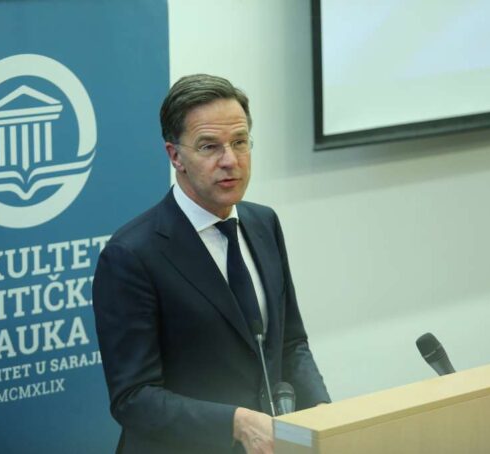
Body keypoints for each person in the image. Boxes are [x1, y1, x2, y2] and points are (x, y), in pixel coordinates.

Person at [93, 74, 330, 454]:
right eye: (209, 147)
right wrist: (236, 423)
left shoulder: (263, 223)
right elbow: (133, 398)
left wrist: (323, 412)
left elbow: (290, 342)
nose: (230, 161)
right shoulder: (132, 255)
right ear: (175, 156)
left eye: (240, 142)